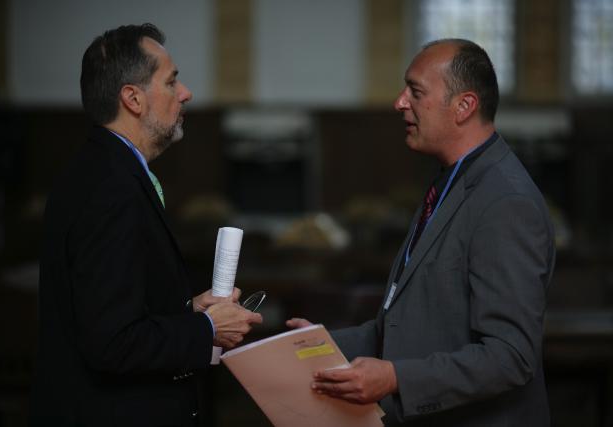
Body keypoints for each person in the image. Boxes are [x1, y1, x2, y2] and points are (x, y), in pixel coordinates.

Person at [287, 39, 555, 426]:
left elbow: (510, 357)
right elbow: (409, 326)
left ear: (464, 106)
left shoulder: (505, 202)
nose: (399, 102)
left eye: (415, 91)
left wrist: (395, 377)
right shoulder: (453, 180)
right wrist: (323, 343)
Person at [29, 23, 262, 427]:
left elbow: (111, 304)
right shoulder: (110, 188)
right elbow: (111, 342)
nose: (185, 92)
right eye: (172, 82)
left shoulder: (105, 169)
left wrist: (188, 310)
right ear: (133, 98)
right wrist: (206, 328)